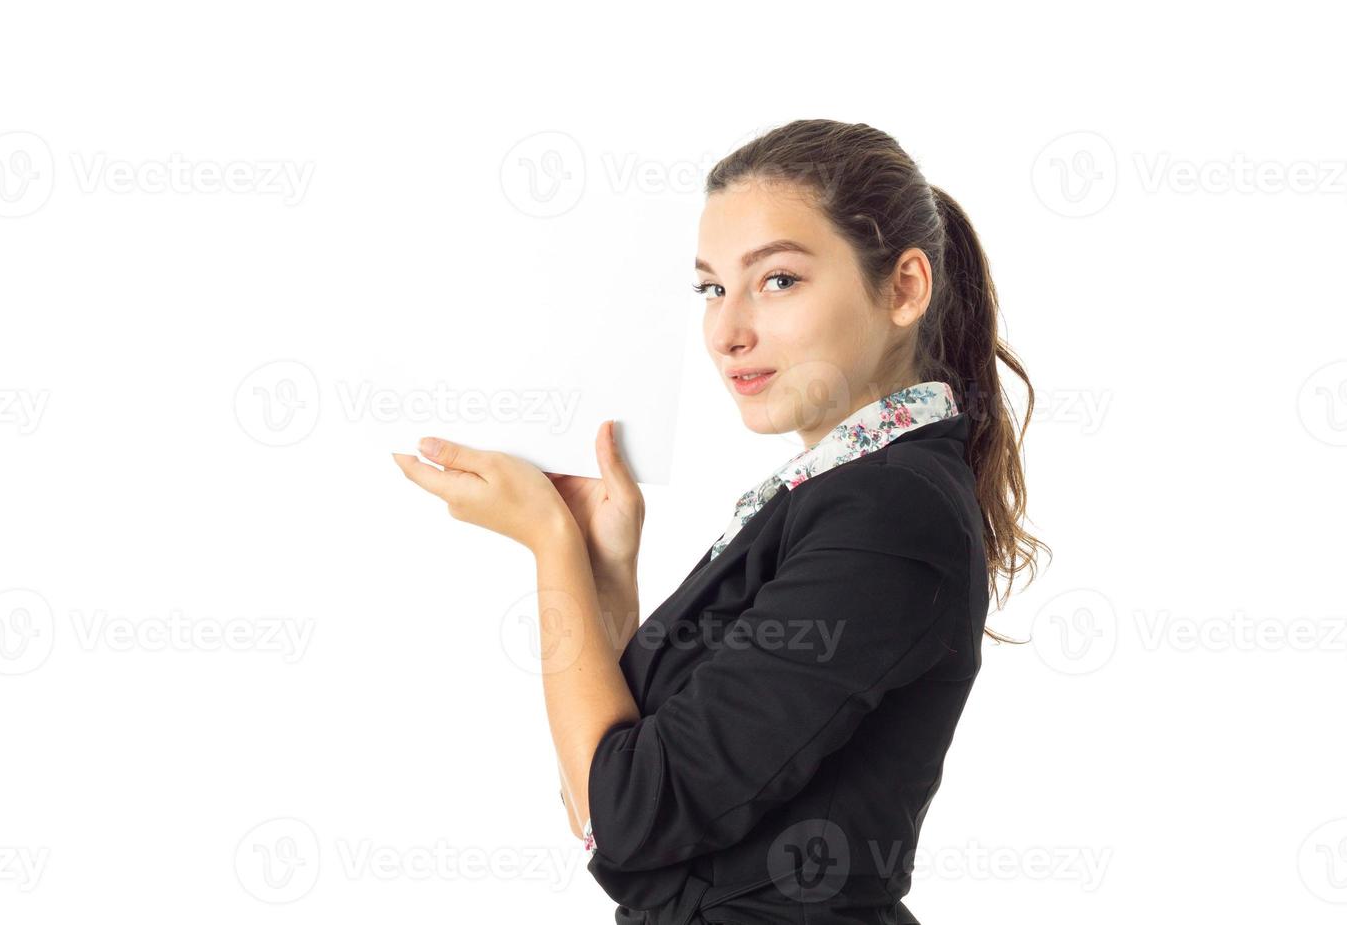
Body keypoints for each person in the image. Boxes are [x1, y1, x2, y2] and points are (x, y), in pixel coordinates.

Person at [393, 119, 1049, 923]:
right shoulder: (832, 493)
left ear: (904, 288)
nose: (726, 332)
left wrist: (550, 543)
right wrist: (603, 571)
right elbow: (597, 791)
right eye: (711, 288)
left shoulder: (889, 509)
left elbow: (622, 819)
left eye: (777, 281)